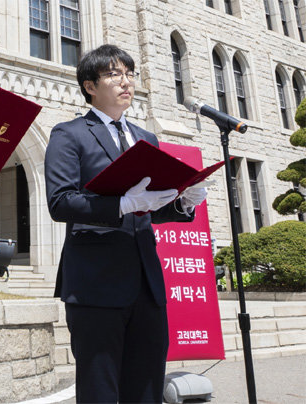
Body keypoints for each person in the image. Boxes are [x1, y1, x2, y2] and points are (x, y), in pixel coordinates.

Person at [44, 44, 207, 403]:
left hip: (147, 285)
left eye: (130, 74)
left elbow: (149, 206)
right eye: (114, 74)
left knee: (148, 388)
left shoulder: (145, 138)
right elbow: (60, 202)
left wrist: (182, 205)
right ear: (90, 85)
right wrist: (122, 203)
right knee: (101, 390)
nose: (126, 82)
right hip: (95, 285)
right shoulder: (69, 134)